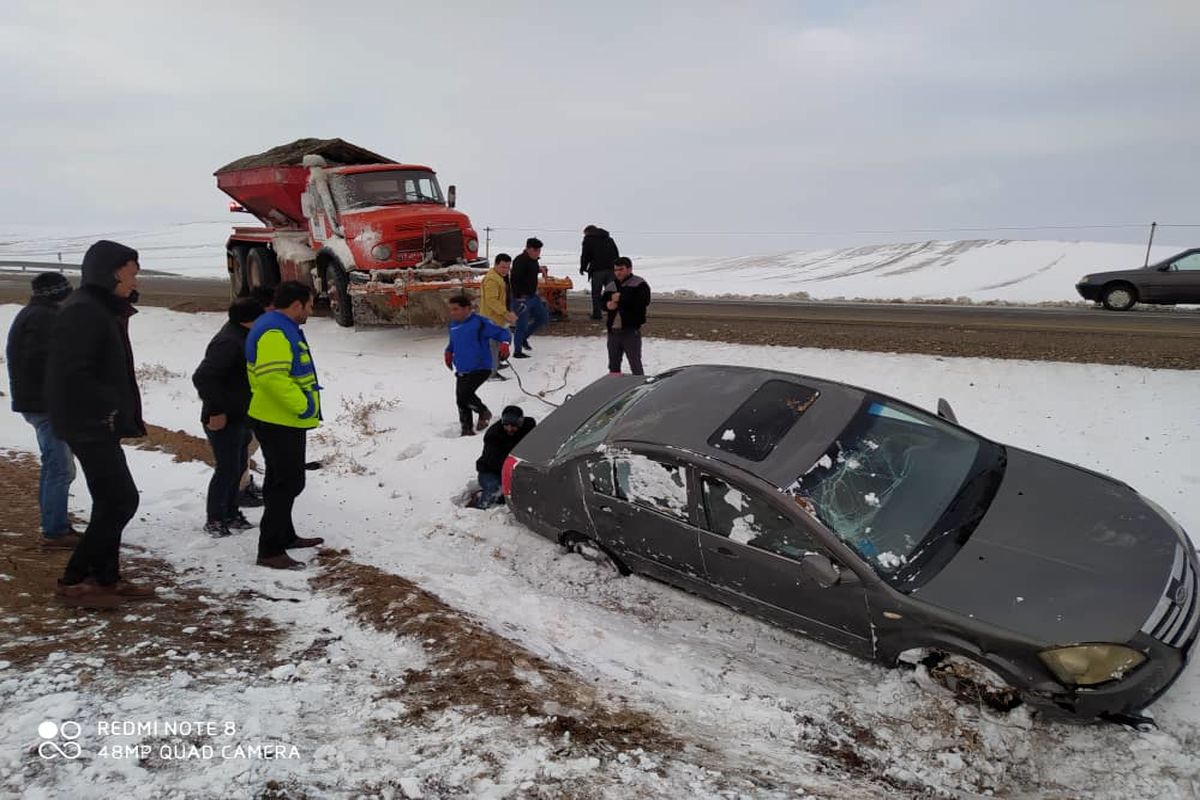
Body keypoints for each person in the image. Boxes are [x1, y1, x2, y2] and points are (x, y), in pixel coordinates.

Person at [46, 240, 150, 607]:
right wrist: (106, 408)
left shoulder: (100, 308)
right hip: (87, 423)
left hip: (95, 422)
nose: (136, 277)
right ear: (109, 272)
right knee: (121, 500)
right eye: (131, 271)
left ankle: (106, 578)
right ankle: (75, 581)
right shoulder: (84, 311)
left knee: (110, 501)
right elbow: (72, 373)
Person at [246, 281, 324, 570]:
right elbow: (272, 378)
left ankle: (285, 535)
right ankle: (270, 550)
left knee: (284, 481)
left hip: (284, 419)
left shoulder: (279, 325)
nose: (311, 310)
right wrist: (302, 404)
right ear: (296, 305)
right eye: (310, 304)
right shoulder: (275, 331)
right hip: (279, 419)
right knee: (286, 483)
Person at [5, 272, 78, 549]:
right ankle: (55, 531)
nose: (70, 295)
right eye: (66, 290)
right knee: (60, 468)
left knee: (54, 466)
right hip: (46, 405)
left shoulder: (34, 314)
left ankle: (54, 524)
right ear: (55, 293)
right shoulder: (43, 318)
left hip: (38, 403)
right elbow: (46, 362)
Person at [192, 297, 265, 537]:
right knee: (226, 469)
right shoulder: (229, 342)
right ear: (250, 319)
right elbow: (203, 377)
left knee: (237, 467)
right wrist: (215, 411)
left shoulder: (242, 335)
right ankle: (214, 518)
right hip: (223, 419)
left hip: (240, 416)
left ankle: (231, 513)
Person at [444, 294, 511, 436]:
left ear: (467, 308)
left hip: (481, 367)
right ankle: (466, 429)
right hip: (462, 368)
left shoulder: (480, 322)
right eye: (451, 310)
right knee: (461, 400)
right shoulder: (454, 326)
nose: (453, 313)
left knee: (466, 394)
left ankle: (483, 412)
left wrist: (505, 343)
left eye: (456, 309)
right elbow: (452, 344)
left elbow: (501, 332)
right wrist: (448, 353)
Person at [470, 405, 536, 509]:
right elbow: (493, 461)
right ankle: (479, 507)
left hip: (517, 469)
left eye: (513, 425)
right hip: (491, 471)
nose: (509, 429)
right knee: (495, 489)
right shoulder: (493, 435)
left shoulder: (529, 427)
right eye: (506, 425)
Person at [602, 256, 651, 376]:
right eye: (615, 270)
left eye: (621, 269)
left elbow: (644, 301)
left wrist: (622, 298)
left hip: (631, 331)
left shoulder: (639, 283)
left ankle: (640, 387)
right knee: (613, 365)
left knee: (635, 363)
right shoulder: (611, 285)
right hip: (613, 331)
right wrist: (607, 305)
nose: (618, 272)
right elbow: (601, 302)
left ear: (629, 269)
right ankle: (614, 386)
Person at [479, 253, 517, 381]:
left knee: (504, 339)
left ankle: (496, 364)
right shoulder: (492, 279)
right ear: (495, 265)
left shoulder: (499, 277)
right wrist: (506, 313)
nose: (505, 270)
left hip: (498, 318)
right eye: (503, 267)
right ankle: (491, 373)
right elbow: (492, 301)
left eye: (507, 267)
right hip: (491, 319)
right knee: (493, 346)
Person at [510, 237, 549, 358]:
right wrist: (518, 297)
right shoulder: (519, 261)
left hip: (533, 296)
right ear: (529, 249)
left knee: (543, 318)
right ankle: (517, 351)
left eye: (539, 251)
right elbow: (514, 280)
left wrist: (540, 269)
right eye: (536, 250)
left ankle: (524, 338)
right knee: (521, 324)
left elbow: (530, 271)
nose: (538, 253)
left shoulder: (533, 260)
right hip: (521, 298)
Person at [580, 225, 620, 321]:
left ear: (588, 232)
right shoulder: (609, 239)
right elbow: (616, 254)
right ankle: (612, 313)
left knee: (596, 293)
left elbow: (585, 255)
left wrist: (583, 267)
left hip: (597, 271)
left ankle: (597, 314)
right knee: (611, 293)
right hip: (611, 270)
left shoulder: (588, 240)